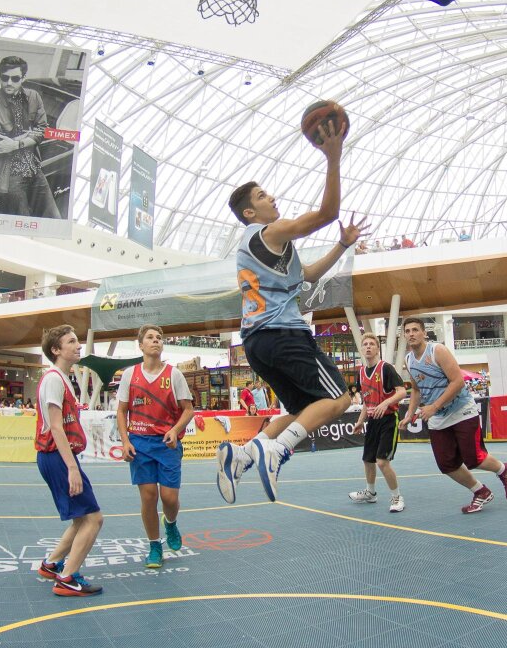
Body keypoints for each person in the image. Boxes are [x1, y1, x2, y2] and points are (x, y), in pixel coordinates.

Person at [216, 110, 368, 504]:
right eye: (262, 196)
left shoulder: (268, 248)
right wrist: (333, 157)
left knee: (303, 410)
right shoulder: (269, 232)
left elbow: (310, 275)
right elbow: (327, 213)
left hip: (257, 343)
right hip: (284, 334)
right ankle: (276, 449)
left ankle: (242, 456)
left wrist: (342, 245)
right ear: (250, 213)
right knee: (340, 400)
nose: (271, 198)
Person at [401, 316, 507, 513]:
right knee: (446, 464)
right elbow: (416, 389)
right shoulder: (408, 360)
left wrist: (434, 406)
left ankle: (504, 470)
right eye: (407, 331)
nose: (411, 334)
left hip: (461, 410)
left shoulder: (437, 350)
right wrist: (409, 414)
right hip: (438, 418)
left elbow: (458, 381)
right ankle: (480, 491)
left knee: (474, 458)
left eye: (415, 330)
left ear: (424, 333)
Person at [34, 325, 104, 597]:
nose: (78, 346)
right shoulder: (53, 379)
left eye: (77, 341)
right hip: (56, 456)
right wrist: (72, 467)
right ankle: (67, 578)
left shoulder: (61, 378)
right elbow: (55, 426)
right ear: (56, 349)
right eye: (71, 341)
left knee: (81, 518)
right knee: (94, 519)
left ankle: (52, 564)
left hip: (56, 456)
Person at [118, 325, 194, 569]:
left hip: (166, 443)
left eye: (159, 338)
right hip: (140, 443)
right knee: (149, 497)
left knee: (169, 499)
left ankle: (170, 523)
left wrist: (174, 430)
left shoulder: (174, 375)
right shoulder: (130, 375)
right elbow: (121, 411)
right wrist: (125, 441)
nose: (155, 341)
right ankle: (154, 545)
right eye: (150, 338)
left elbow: (189, 410)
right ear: (141, 345)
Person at [0, 55, 61, 219]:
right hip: (9, 176)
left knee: (54, 219)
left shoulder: (34, 97)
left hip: (34, 169)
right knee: (23, 223)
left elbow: (43, 129)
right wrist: (30, 134)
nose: (9, 83)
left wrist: (17, 144)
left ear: (23, 78)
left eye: (15, 78)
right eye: (4, 78)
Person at [348, 334, 408, 512]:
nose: (368, 346)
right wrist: (360, 421)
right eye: (365, 344)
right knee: (368, 460)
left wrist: (385, 403)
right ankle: (370, 493)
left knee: (382, 461)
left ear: (377, 349)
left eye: (371, 344)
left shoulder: (385, 368)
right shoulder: (361, 372)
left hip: (388, 419)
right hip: (373, 421)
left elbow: (402, 392)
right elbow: (367, 401)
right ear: (361, 349)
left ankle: (397, 497)